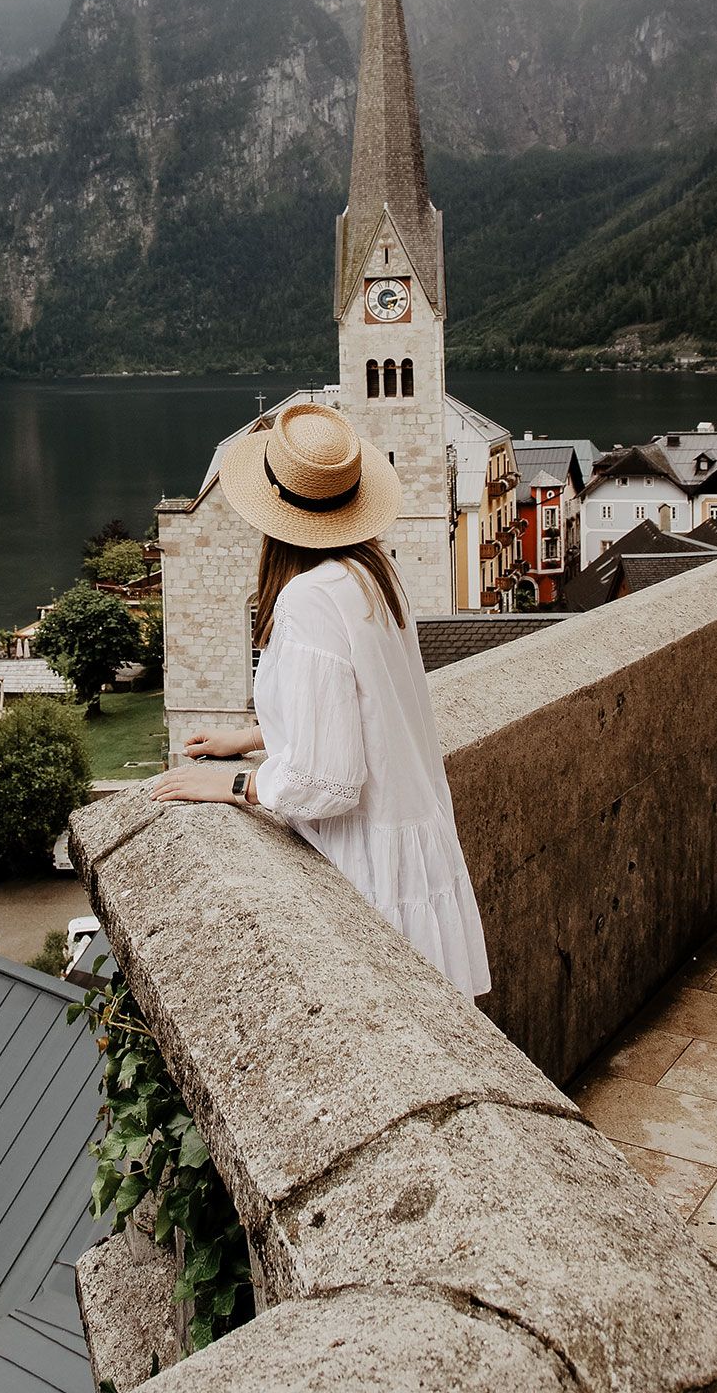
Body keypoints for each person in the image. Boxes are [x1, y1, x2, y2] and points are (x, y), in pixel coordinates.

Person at [149, 403, 490, 1001]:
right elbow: (362, 704)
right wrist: (257, 736)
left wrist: (234, 785)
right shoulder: (374, 571)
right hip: (418, 850)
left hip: (369, 875)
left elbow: (326, 782)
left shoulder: (308, 599)